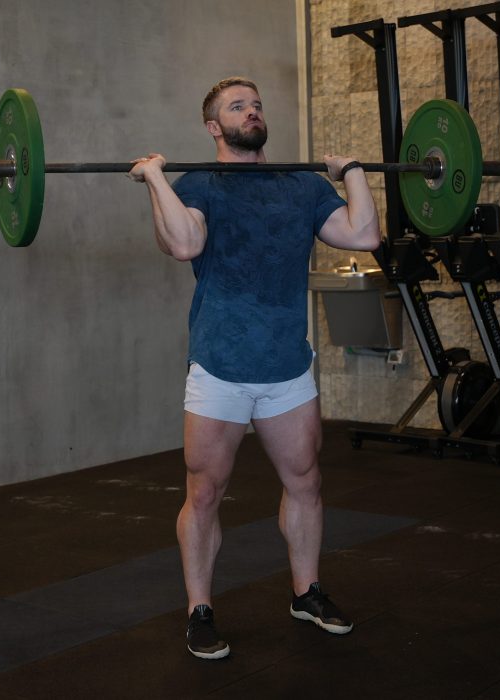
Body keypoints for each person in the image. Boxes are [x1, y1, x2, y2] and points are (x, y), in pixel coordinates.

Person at [128, 77, 381, 660]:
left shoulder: (301, 185)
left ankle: (306, 592)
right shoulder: (201, 184)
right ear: (214, 127)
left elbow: (364, 235)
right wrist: (156, 180)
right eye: (237, 107)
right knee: (207, 491)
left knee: (307, 482)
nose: (252, 112)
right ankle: (199, 610)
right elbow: (184, 245)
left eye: (257, 104)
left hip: (287, 367)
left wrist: (354, 172)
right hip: (219, 366)